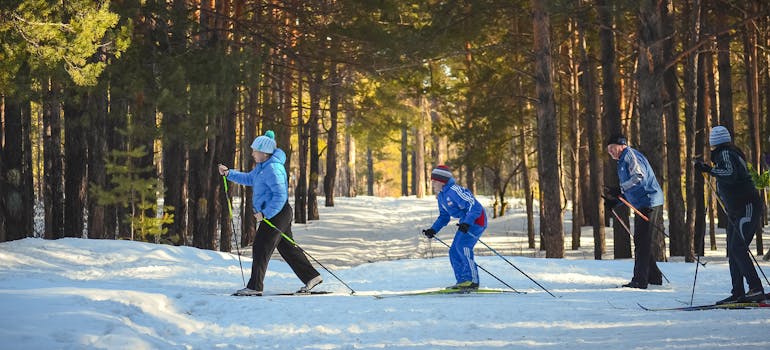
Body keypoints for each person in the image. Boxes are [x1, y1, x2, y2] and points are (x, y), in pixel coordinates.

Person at [218, 130, 322, 296]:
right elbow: (248, 179)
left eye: (255, 151)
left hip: (277, 213)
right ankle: (312, 277)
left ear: (264, 153)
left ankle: (255, 286)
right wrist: (229, 173)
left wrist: (266, 214)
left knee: (260, 247)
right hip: (277, 213)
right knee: (287, 248)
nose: (252, 153)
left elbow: (280, 195)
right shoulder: (262, 167)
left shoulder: (273, 168)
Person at [695, 125, 766, 304]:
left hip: (747, 207)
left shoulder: (725, 153)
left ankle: (755, 288)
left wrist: (709, 170)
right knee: (733, 251)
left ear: (714, 142)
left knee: (738, 249)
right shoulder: (725, 153)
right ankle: (738, 292)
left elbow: (730, 173)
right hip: (737, 210)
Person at [605, 134, 664, 289]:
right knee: (640, 240)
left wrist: (620, 189)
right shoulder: (622, 161)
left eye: (612, 148)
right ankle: (654, 277)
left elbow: (639, 177)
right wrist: (616, 201)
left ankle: (640, 280)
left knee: (642, 241)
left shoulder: (630, 156)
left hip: (649, 201)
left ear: (621, 145)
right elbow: (629, 188)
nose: (610, 152)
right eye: (608, 150)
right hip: (641, 203)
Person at [422, 165, 487, 290]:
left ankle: (472, 281)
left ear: (442, 181)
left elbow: (474, 206)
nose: (433, 184)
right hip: (466, 221)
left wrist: (467, 222)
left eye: (434, 181)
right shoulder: (441, 196)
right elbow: (444, 216)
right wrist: (433, 229)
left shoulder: (454, 190)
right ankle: (462, 281)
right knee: (453, 251)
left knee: (462, 247)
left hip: (477, 220)